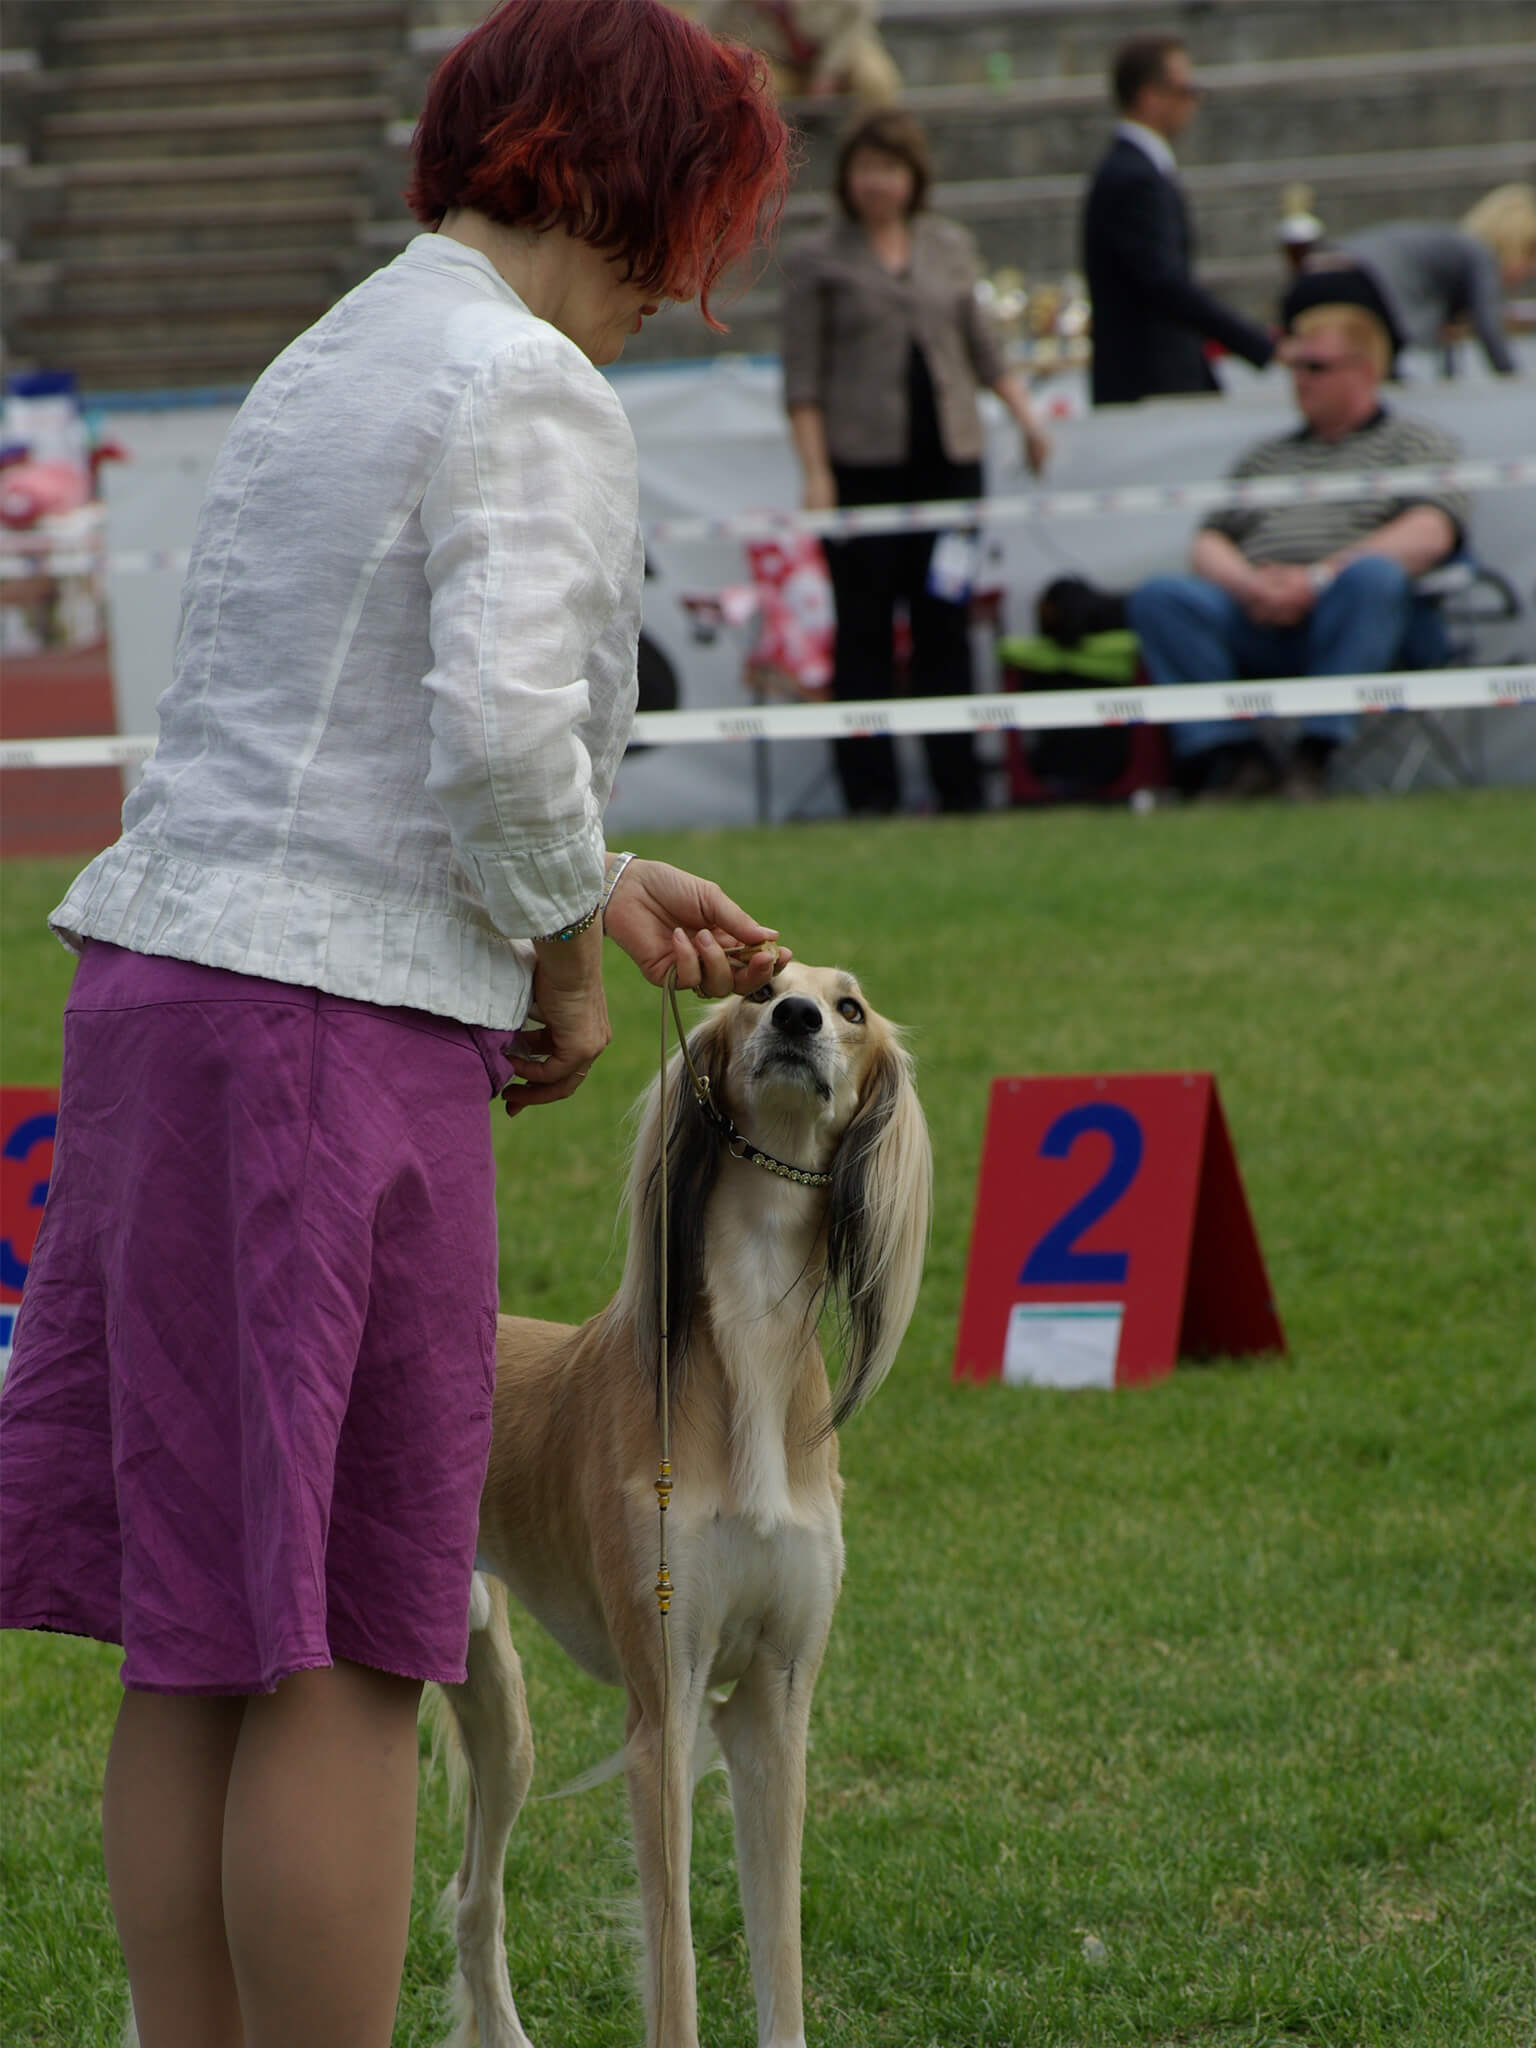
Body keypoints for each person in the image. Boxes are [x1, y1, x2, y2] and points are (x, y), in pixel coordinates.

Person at [0, 5, 790, 2045]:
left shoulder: (337, 346)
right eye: (691, 229)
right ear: (625, 185)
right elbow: (506, 744)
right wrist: (568, 948)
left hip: (165, 1000)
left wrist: (588, 882)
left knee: (191, 1638)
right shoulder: (529, 381)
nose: (677, 290)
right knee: (353, 1639)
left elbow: (342, 734)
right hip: (326, 1044)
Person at [781, 106, 1050, 815]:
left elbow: (983, 348)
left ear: (914, 177)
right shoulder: (817, 257)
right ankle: (871, 795)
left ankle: (959, 786)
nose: (878, 183)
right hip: (862, 464)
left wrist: (1026, 417)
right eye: (866, 169)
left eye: (891, 169)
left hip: (949, 460)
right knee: (865, 628)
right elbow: (802, 381)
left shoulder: (948, 246)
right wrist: (817, 472)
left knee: (945, 620)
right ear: (847, 178)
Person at [1127, 299, 1467, 799]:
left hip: (1363, 618)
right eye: (1294, 367)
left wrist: (1317, 580)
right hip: (1261, 613)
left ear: (1365, 370)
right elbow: (1209, 541)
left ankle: (1314, 755)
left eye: (1316, 368)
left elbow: (1431, 532)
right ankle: (1238, 757)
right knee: (1161, 597)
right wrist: (1250, 585)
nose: (1299, 380)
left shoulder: (1415, 444)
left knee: (1374, 578)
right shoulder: (1269, 455)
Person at [1081, 33, 1275, 406]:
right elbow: (1165, 284)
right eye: (1186, 89)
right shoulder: (1133, 175)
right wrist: (1258, 344)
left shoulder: (1136, 168)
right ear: (1150, 96)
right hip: (1152, 385)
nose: (1194, 101)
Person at [1331, 182, 1536, 377]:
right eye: (1530, 254)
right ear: (1513, 244)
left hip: (1337, 265)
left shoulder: (1450, 247)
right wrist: (1513, 379)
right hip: (1374, 284)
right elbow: (1489, 329)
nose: (1530, 270)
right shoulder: (1479, 255)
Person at [687, 0, 901, 104]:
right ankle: (761, 161)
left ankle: (873, 154)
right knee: (750, 85)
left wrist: (829, 71)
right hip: (773, 59)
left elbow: (857, 20)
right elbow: (704, 29)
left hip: (840, 47)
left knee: (876, 79)